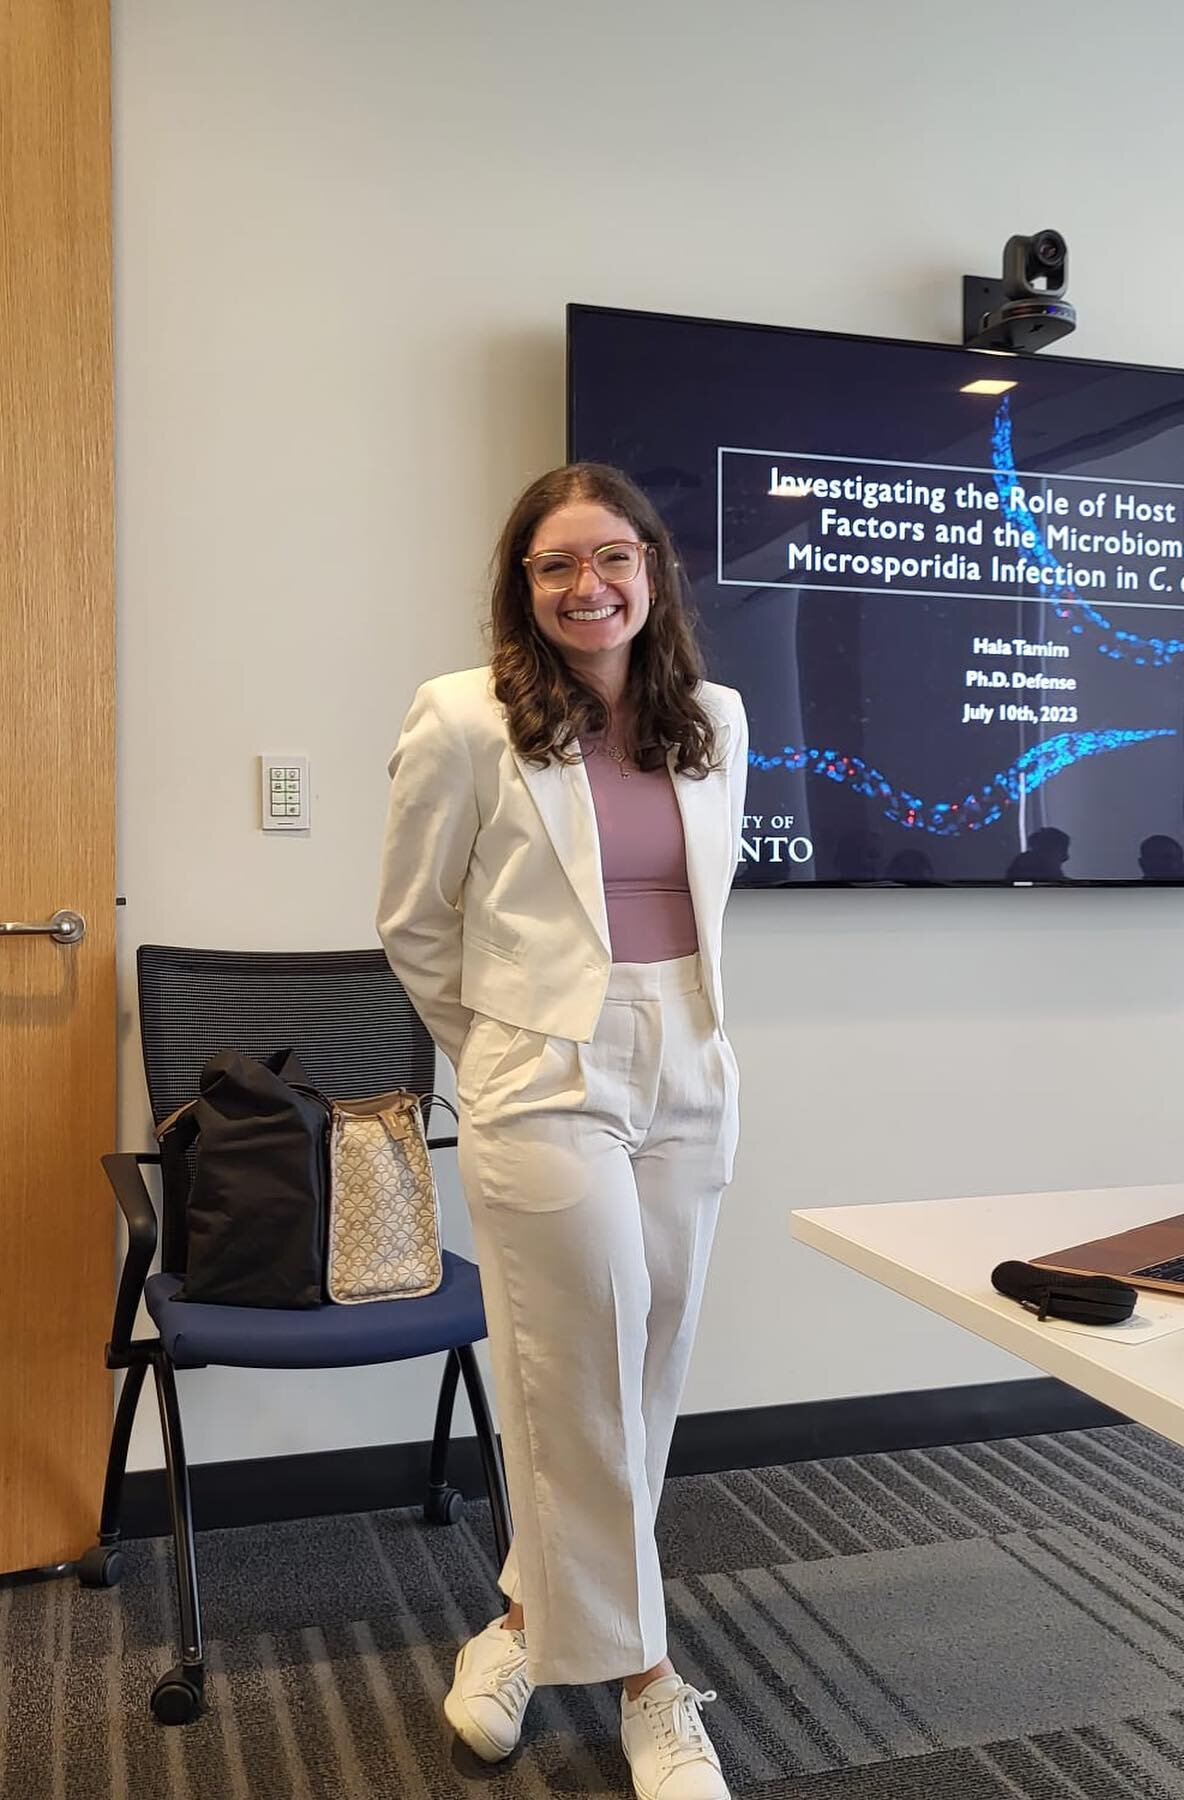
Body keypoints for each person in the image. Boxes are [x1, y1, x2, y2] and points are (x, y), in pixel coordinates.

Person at [377, 462, 748, 1799]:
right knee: (577, 1365)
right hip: (545, 1070)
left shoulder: (716, 718)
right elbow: (414, 922)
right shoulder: (466, 718)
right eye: (555, 566)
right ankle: (650, 1685)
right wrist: (503, 1052)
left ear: (651, 573)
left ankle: (531, 1623)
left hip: (688, 1065)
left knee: (645, 1364)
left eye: (611, 560)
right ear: (522, 587)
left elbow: (700, 904)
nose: (586, 586)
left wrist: (678, 1044)